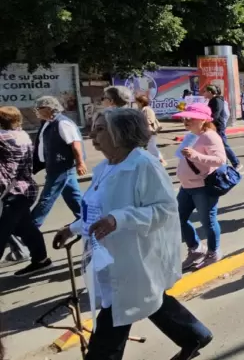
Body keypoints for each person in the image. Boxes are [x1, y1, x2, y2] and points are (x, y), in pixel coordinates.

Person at [51, 108, 213, 360]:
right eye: (93, 129)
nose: (93, 135)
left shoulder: (143, 164)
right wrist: (71, 228)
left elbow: (165, 209)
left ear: (122, 133)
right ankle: (193, 334)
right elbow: (94, 207)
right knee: (146, 298)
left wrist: (120, 219)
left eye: (101, 129)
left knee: (116, 314)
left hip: (134, 254)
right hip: (108, 253)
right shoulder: (105, 167)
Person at [173, 102, 225, 270]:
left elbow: (220, 160)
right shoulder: (190, 135)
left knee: (207, 221)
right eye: (185, 118)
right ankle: (195, 249)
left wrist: (196, 155)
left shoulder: (210, 136)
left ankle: (213, 251)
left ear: (203, 120)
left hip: (202, 186)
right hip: (186, 186)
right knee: (178, 218)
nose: (186, 121)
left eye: (191, 118)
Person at [0, 107, 51, 275]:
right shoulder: (22, 135)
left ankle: (40, 259)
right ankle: (41, 259)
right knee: (24, 228)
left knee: (2, 231)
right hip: (23, 190)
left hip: (12, 193)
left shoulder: (4, 137)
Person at [30, 96, 85, 228]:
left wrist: (80, 162)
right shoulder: (49, 122)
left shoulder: (62, 123)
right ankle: (86, 218)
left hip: (61, 166)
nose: (37, 111)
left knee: (47, 197)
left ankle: (31, 226)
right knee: (73, 195)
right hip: (54, 165)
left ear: (49, 108)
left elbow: (75, 144)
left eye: (39, 108)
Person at [204, 85, 240, 169]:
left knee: (223, 145)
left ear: (210, 92)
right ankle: (224, 163)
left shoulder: (216, 100)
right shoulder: (214, 100)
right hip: (215, 126)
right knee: (215, 145)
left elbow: (215, 114)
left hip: (218, 127)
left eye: (205, 91)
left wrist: (207, 122)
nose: (204, 93)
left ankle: (236, 163)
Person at [136, 94, 166, 167]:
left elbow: (148, 120)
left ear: (141, 102)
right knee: (149, 146)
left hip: (149, 131)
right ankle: (158, 160)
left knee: (151, 146)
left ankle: (160, 160)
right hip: (148, 131)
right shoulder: (145, 109)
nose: (136, 103)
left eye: (137, 102)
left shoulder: (146, 109)